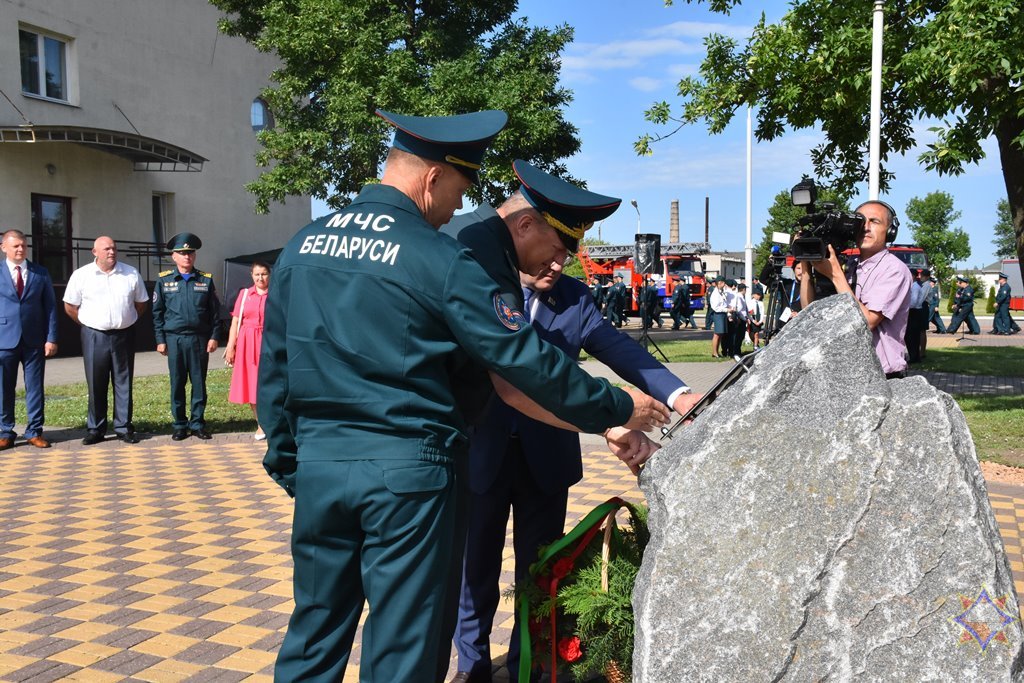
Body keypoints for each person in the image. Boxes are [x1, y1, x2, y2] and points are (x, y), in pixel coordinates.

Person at [258, 110, 668, 682]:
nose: (457, 210)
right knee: (404, 648)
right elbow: (520, 363)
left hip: (323, 469)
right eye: (459, 190)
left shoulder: (303, 246)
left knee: (314, 635)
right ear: (432, 179)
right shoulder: (437, 258)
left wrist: (293, 464)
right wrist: (618, 406)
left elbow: (273, 373)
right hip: (409, 476)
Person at [452, 247, 701, 681]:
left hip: (546, 459)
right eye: (549, 254)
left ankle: (527, 668)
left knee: (542, 575)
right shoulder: (480, 285)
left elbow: (621, 349)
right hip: (481, 456)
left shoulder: (573, 298)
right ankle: (471, 670)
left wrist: (679, 395)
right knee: (474, 578)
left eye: (564, 256)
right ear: (522, 237)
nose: (556, 265)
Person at [801, 200, 911, 379]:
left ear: (890, 231)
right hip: (846, 373)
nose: (865, 227)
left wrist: (836, 275)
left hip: (881, 375)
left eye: (874, 221)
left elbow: (867, 322)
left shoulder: (894, 270)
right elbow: (810, 312)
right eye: (861, 221)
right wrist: (806, 266)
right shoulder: (849, 266)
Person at [63, 236, 149, 445]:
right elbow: (70, 306)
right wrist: (87, 324)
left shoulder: (130, 273)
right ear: (95, 252)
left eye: (114, 248)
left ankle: (123, 427)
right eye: (107, 249)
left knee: (123, 382)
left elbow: (141, 303)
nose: (111, 252)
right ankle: (96, 429)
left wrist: (127, 320)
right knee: (96, 382)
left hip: (124, 334)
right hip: (94, 335)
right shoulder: (81, 275)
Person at [152, 232, 222, 440]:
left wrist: (214, 336)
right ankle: (179, 425)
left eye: (190, 253)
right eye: (182, 253)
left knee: (199, 382)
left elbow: (215, 313)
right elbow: (157, 313)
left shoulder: (205, 280)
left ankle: (198, 423)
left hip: (199, 339)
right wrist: (160, 340)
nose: (187, 257)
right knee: (177, 382)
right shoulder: (164, 281)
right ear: (174, 256)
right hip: (174, 339)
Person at [0, 229, 58, 449]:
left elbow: (51, 307)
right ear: (4, 247)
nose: (20, 249)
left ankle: (34, 431)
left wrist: (51, 338)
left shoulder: (39, 273)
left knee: (35, 387)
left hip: (34, 340)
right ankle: (6, 431)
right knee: (4, 388)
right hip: (4, 339)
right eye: (15, 246)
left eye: (23, 245)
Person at [224, 261, 271, 440]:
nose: (260, 278)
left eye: (264, 274)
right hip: (247, 343)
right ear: (252, 275)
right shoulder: (244, 295)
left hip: (267, 342)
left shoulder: (275, 295)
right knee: (252, 384)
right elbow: (236, 321)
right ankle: (260, 424)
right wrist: (230, 346)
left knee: (268, 383)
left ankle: (273, 421)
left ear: (269, 275)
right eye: (257, 274)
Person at [904, 269, 926, 364]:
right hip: (913, 312)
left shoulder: (915, 287)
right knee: (910, 336)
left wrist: (903, 307)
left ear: (912, 276)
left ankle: (914, 357)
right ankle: (914, 356)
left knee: (912, 336)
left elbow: (913, 302)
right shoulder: (912, 286)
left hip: (914, 312)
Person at [709, 276, 728, 357]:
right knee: (717, 334)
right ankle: (714, 352)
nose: (724, 284)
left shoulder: (721, 291)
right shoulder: (715, 293)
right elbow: (716, 307)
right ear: (719, 283)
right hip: (718, 314)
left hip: (722, 314)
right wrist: (726, 310)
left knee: (720, 334)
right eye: (723, 283)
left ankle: (717, 351)